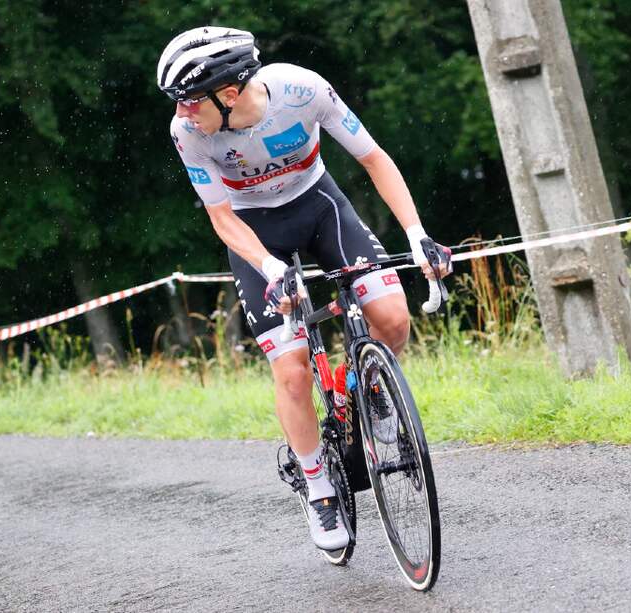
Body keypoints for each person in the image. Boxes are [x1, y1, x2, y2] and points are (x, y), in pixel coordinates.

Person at [158, 27, 450, 552]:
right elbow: (222, 219)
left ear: (228, 94)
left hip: (320, 207)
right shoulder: (189, 134)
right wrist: (271, 270)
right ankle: (318, 486)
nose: (180, 112)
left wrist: (417, 234)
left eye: (187, 100)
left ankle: (373, 392)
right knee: (292, 372)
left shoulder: (302, 90)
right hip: (253, 232)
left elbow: (373, 158)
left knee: (392, 318)